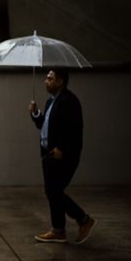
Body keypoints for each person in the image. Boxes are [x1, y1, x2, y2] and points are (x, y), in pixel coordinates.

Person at [28, 69, 96, 244]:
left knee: (54, 191)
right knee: (52, 192)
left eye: (49, 78)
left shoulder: (69, 101)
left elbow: (74, 129)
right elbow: (45, 126)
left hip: (62, 156)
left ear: (60, 82)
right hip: (49, 154)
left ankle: (83, 220)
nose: (45, 81)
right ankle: (58, 230)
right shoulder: (52, 101)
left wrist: (63, 149)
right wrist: (35, 114)